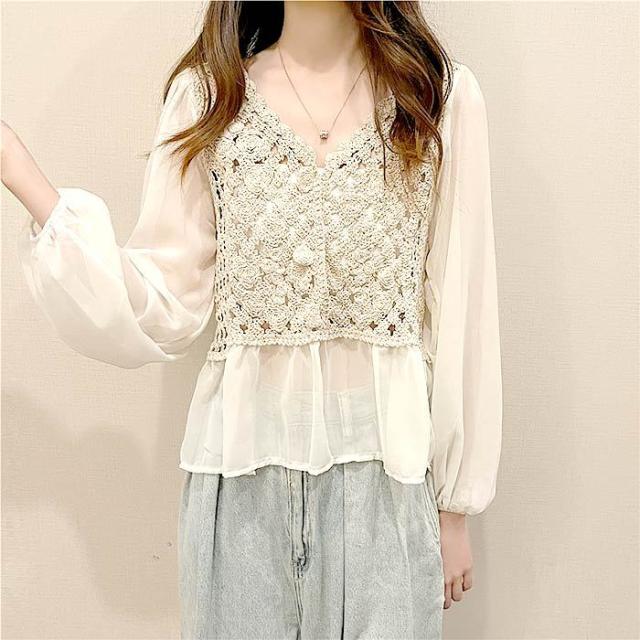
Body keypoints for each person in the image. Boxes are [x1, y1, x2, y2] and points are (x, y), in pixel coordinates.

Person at [1, 1, 503, 638]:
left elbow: (463, 306)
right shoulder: (209, 98)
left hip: (389, 489)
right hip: (240, 490)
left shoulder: (438, 99)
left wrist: (454, 507)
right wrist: (20, 171)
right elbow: (163, 300)